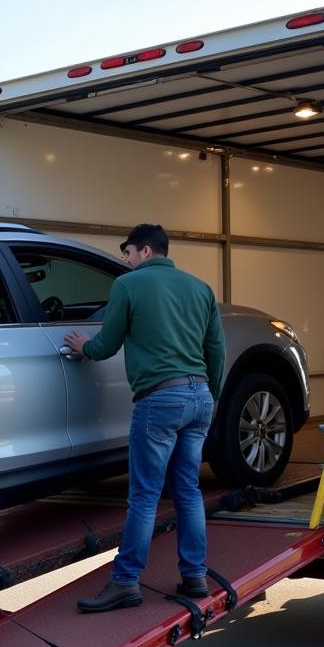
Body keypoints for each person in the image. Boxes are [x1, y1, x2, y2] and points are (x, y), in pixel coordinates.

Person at [65, 224, 225, 613]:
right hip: (198, 395)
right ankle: (195, 576)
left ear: (147, 252)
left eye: (128, 252)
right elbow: (216, 351)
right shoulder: (201, 289)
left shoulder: (129, 286)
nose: (125, 259)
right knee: (187, 490)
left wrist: (84, 347)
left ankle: (124, 582)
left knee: (144, 496)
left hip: (160, 398)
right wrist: (210, 397)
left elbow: (107, 344)